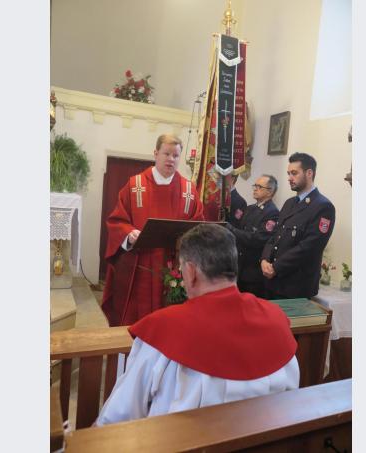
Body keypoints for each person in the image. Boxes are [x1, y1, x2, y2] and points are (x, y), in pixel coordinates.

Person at [95, 224, 299, 425]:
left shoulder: (165, 330)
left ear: (191, 272)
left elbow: (118, 417)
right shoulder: (275, 319)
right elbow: (291, 400)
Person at [102, 134, 204, 327]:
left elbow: (198, 225)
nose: (171, 159)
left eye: (175, 155)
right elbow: (117, 221)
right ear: (156, 153)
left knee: (171, 323)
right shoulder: (135, 186)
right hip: (141, 265)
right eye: (166, 153)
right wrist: (128, 234)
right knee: (136, 321)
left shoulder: (189, 190)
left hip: (175, 266)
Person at [260, 153, 335, 299]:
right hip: (273, 282)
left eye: (294, 173)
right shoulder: (289, 203)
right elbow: (275, 236)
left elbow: (309, 247)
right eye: (288, 173)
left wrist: (276, 267)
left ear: (309, 173)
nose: (289, 178)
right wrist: (264, 259)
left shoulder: (323, 206)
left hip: (295, 286)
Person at [225, 174, 279, 298]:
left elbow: (257, 239)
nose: (255, 189)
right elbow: (240, 229)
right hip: (240, 267)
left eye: (259, 186)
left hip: (253, 272)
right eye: (255, 185)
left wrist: (231, 229)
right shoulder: (250, 208)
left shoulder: (272, 213)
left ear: (270, 192)